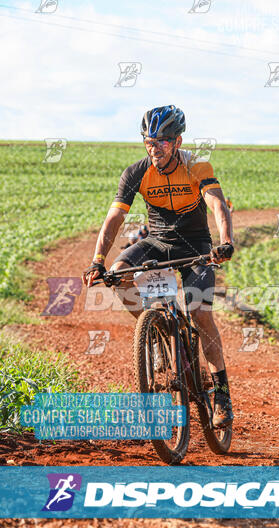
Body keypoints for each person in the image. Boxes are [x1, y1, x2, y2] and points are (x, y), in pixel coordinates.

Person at [82, 105, 234, 428]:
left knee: (200, 313)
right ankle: (154, 331)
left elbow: (217, 203)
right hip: (158, 241)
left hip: (196, 245)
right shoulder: (136, 172)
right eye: (149, 142)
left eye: (162, 142)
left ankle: (222, 395)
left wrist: (225, 241)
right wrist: (98, 261)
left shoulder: (197, 165)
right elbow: (114, 218)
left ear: (177, 141)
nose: (155, 149)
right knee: (120, 273)